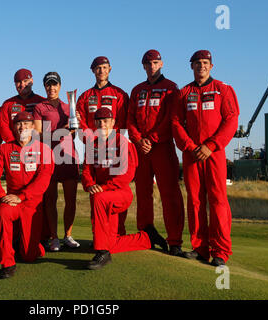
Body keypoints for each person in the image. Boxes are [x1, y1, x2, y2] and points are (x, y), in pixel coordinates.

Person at [171, 50, 240, 266]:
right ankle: (200, 248)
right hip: (192, 155)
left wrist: (211, 145)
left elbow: (231, 120)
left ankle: (220, 251)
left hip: (214, 154)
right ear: (191, 66)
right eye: (197, 63)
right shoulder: (183, 93)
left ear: (211, 66)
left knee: (218, 200)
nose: (201, 66)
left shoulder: (223, 90)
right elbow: (175, 123)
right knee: (195, 200)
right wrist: (191, 147)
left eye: (205, 62)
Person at [81, 107, 161, 270]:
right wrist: (89, 184)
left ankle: (102, 252)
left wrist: (103, 188)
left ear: (113, 123)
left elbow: (126, 175)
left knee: (98, 198)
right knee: (111, 243)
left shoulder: (122, 142)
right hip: (102, 195)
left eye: (106, 121)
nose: (102, 124)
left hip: (120, 193)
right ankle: (147, 238)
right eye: (99, 121)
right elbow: (86, 171)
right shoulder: (92, 145)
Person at [127, 49, 185, 256]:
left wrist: (151, 138)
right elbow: (130, 118)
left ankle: (175, 240)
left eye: (155, 63)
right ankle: (146, 234)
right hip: (141, 149)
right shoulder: (137, 90)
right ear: (143, 66)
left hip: (162, 147)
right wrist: (138, 139)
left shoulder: (171, 88)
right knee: (143, 193)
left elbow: (172, 118)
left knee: (170, 194)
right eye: (148, 63)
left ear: (161, 64)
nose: (152, 66)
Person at [0, 111, 54, 279]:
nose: (22, 127)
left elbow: (43, 179)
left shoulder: (44, 150)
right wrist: (2, 195)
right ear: (14, 127)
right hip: (11, 200)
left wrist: (22, 196)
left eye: (26, 124)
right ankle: (7, 263)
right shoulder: (4, 149)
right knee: (2, 212)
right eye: (18, 124)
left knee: (29, 256)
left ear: (32, 128)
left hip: (31, 203)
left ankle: (32, 245)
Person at [76, 56, 130, 236]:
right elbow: (80, 122)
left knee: (116, 187)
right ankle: (98, 234)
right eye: (98, 68)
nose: (101, 71)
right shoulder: (85, 96)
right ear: (93, 70)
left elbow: (122, 121)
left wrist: (113, 140)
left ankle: (118, 233)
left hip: (114, 146)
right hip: (93, 147)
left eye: (104, 67)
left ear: (110, 69)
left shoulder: (119, 94)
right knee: (95, 191)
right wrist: (91, 139)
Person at [33, 72, 80, 251]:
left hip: (68, 156)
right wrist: (59, 131)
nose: (51, 88)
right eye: (48, 84)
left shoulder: (69, 107)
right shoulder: (39, 107)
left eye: (54, 84)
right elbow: (37, 134)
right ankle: (54, 238)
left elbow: (74, 134)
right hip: (48, 157)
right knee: (50, 199)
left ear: (60, 86)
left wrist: (74, 127)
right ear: (44, 87)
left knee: (71, 199)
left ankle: (68, 235)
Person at [0, 68, 46, 143]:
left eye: (25, 81)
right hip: (15, 147)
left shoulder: (42, 102)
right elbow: (3, 126)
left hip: (37, 147)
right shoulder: (7, 104)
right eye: (19, 82)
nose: (22, 84)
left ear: (32, 81)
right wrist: (15, 143)